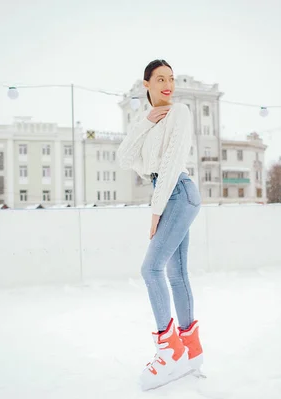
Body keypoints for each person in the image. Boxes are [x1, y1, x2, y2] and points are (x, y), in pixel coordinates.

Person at [117, 59, 203, 390]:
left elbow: (170, 165)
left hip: (178, 191)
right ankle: (190, 349)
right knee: (175, 274)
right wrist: (144, 122)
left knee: (150, 270)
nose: (168, 84)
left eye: (172, 78)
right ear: (147, 85)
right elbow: (125, 159)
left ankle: (169, 352)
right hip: (169, 193)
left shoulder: (180, 112)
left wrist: (155, 213)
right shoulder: (149, 121)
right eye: (161, 78)